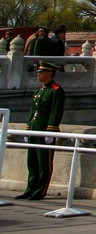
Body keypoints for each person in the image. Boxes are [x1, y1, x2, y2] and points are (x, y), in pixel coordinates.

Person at [22, 62, 65, 199]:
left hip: (45, 129)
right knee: (32, 162)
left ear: (49, 73)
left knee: (44, 163)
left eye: (41, 72)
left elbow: (56, 112)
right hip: (34, 128)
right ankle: (30, 188)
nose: (38, 74)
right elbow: (32, 111)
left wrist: (51, 130)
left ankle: (40, 190)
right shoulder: (38, 91)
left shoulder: (56, 90)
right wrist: (28, 128)